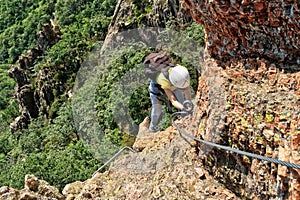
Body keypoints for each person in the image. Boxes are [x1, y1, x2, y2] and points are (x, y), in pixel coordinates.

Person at [143, 52, 192, 132]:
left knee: (183, 102)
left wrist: (188, 104)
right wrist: (184, 108)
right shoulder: (163, 80)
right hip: (156, 90)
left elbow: (186, 89)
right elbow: (173, 100)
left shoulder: (181, 72)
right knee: (156, 111)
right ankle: (152, 129)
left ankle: (185, 121)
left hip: (173, 85)